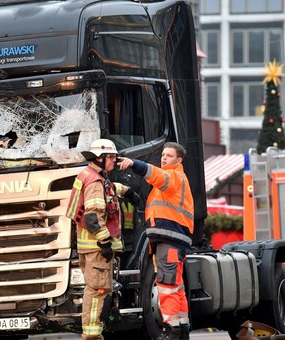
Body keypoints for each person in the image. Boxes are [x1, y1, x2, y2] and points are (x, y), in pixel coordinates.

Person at [118, 142, 194, 340]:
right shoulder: (173, 181)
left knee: (166, 285)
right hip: (173, 239)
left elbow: (158, 176)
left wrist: (135, 164)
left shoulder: (174, 176)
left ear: (179, 160)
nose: (164, 158)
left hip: (171, 238)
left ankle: (172, 329)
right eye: (163, 154)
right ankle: (182, 327)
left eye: (169, 155)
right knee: (176, 286)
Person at [66, 138, 138, 340]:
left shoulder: (89, 175)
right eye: (111, 157)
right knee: (98, 291)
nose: (114, 161)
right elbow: (93, 216)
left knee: (98, 289)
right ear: (99, 158)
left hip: (89, 247)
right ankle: (92, 336)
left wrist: (125, 190)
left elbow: (107, 188)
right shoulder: (95, 181)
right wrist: (105, 242)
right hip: (98, 249)